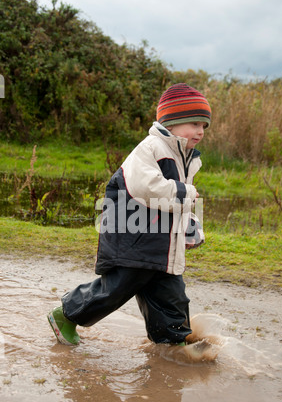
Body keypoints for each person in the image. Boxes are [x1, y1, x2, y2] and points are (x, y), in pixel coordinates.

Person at [47, 83, 211, 348]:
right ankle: (65, 314)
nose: (200, 132)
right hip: (135, 241)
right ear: (171, 121)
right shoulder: (151, 148)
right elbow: (146, 188)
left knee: (172, 297)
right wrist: (187, 192)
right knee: (115, 290)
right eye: (193, 123)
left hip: (163, 246)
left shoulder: (187, 158)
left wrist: (191, 226)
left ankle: (172, 347)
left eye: (204, 126)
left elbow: (180, 202)